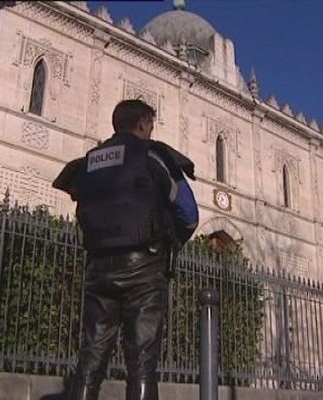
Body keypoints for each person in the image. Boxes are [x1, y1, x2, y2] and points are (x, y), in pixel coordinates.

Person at [53, 99, 199, 400]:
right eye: (150, 125)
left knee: (91, 358)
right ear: (144, 123)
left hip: (98, 268)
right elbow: (189, 213)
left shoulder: (89, 162)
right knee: (142, 363)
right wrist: (168, 241)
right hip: (144, 270)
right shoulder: (154, 155)